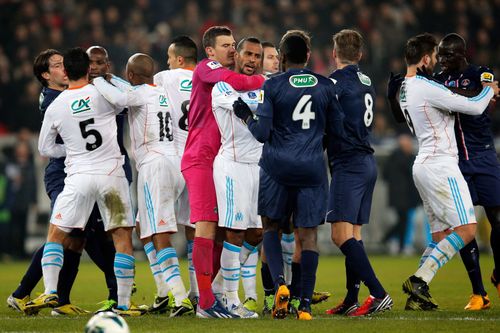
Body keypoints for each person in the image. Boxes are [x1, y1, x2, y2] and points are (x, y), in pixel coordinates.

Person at [387, 33, 500, 310]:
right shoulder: (426, 85)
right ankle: (420, 279)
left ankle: (416, 297)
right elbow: (473, 105)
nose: (439, 62)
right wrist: (490, 91)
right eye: (436, 56)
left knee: (439, 237)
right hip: (442, 164)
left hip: (425, 164)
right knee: (468, 229)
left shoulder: (407, 86)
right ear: (426, 59)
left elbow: (400, 114)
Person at [26, 47, 141, 317]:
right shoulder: (103, 94)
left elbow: (45, 148)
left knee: (56, 235)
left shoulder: (57, 105)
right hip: (111, 177)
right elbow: (129, 99)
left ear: (65, 71)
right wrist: (101, 80)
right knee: (122, 238)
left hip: (78, 178)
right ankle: (123, 304)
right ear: (89, 69)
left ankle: (51, 290)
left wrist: (73, 152)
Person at [233, 30, 339, 320]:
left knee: (270, 228)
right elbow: (337, 130)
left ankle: (279, 286)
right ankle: (304, 304)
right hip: (311, 168)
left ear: (281, 58)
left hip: (277, 167)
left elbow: (262, 133)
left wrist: (245, 116)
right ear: (307, 56)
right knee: (308, 236)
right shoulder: (327, 86)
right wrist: (316, 146)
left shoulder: (274, 86)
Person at [94, 53, 195, 317]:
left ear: (131, 75)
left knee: (160, 233)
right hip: (174, 162)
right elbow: (129, 90)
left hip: (155, 166)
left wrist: (98, 81)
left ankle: (181, 297)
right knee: (143, 227)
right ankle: (163, 292)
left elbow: (119, 97)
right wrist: (111, 77)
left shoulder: (137, 95)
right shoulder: (157, 91)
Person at [180, 25, 264, 319]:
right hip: (201, 157)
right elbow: (231, 78)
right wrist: (264, 80)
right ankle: (206, 302)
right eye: (226, 45)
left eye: (232, 44)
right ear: (210, 51)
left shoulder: (232, 78)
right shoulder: (207, 68)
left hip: (219, 159)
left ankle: (212, 292)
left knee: (224, 230)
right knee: (205, 226)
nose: (231, 49)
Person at [324, 29, 393, 317]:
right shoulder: (366, 82)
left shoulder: (334, 84)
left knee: (340, 236)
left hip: (348, 163)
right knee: (354, 235)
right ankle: (352, 298)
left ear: (334, 53)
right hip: (366, 162)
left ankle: (378, 293)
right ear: (361, 55)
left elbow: (328, 122)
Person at [210, 36, 264, 318]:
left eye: (257, 55)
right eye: (248, 54)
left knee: (257, 232)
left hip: (259, 167)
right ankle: (231, 299)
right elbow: (244, 108)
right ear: (237, 56)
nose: (252, 60)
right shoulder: (222, 85)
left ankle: (218, 287)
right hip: (232, 166)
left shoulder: (265, 83)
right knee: (234, 231)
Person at [153, 35, 198, 311]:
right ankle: (195, 290)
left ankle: (170, 291)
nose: (167, 63)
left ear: (179, 59)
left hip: (169, 158)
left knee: (156, 228)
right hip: (198, 161)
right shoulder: (207, 79)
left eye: (170, 58)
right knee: (194, 228)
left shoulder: (163, 78)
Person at [382, 134, 420, 255]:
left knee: (403, 220)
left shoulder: (394, 157)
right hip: (403, 196)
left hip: (403, 195)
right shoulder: (406, 158)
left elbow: (385, 175)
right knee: (403, 220)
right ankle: (394, 242)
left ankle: (395, 242)